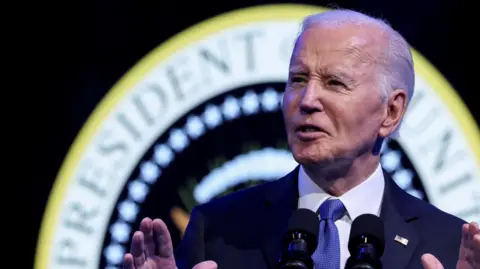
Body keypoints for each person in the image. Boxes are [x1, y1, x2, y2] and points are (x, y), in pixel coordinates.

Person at [122, 9, 480, 269]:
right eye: (297, 80)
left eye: (335, 83)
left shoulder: (447, 245)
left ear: (391, 112)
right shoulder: (215, 231)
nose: (307, 100)